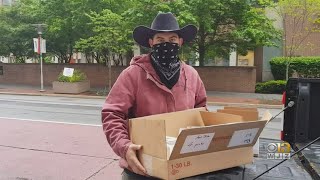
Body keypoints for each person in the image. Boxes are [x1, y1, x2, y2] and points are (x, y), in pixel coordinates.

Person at [101, 12, 207, 179]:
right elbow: (112, 114)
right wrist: (124, 146)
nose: (167, 44)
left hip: (182, 166)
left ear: (180, 41)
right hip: (142, 166)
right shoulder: (133, 75)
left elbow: (201, 110)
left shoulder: (192, 75)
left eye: (172, 39)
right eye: (160, 40)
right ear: (151, 42)